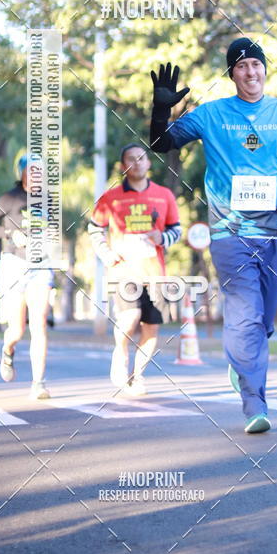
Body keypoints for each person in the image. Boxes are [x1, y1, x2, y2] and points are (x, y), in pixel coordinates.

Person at [149, 37, 277, 433]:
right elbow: (161, 142)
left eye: (256, 65)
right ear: (232, 74)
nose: (250, 72)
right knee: (245, 316)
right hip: (230, 232)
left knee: (262, 323)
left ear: (265, 70)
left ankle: (241, 363)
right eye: (241, 66)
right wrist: (161, 109)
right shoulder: (211, 114)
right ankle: (255, 403)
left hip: (276, 232)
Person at [88, 143, 182, 396]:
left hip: (154, 273)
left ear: (149, 163)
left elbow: (177, 229)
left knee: (151, 328)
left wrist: (161, 238)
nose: (137, 162)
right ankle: (120, 356)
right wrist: (107, 254)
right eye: (131, 159)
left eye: (142, 158)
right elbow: (94, 228)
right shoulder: (111, 197)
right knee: (128, 321)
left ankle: (137, 375)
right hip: (123, 272)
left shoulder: (164, 195)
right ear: (123, 166)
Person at [0, 154, 54, 399]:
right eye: (31, 170)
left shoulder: (48, 200)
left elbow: (52, 231)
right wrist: (9, 235)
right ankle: (8, 349)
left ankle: (39, 383)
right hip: (14, 264)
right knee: (18, 329)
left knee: (40, 322)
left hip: (40, 266)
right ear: (21, 172)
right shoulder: (9, 198)